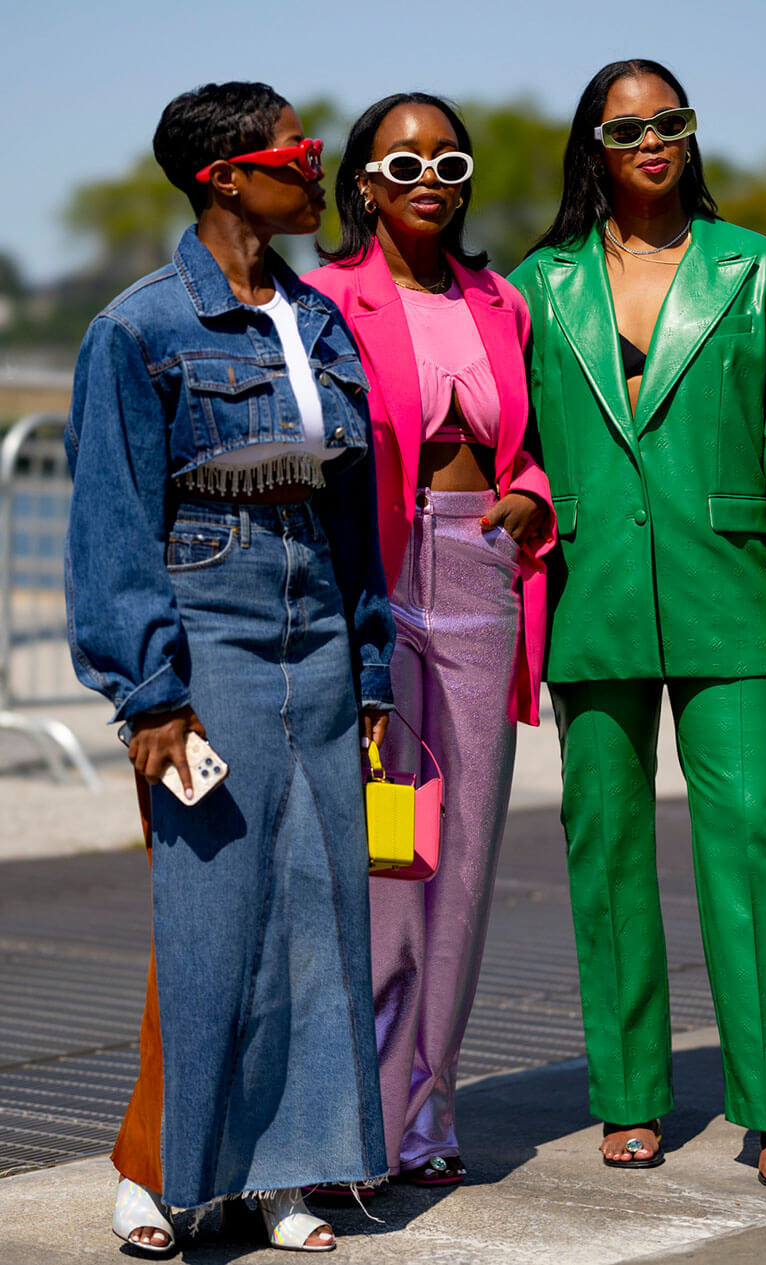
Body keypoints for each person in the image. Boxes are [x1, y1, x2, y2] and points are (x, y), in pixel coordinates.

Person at [65, 81, 394, 1253]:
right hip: (210, 635)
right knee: (209, 910)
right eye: (298, 153)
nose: (320, 170)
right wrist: (147, 692)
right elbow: (111, 523)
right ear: (227, 179)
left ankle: (287, 1170)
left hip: (317, 632)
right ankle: (157, 1177)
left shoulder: (318, 324)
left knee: (319, 908)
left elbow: (355, 516)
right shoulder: (140, 329)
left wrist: (368, 664)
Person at [509, 59, 766, 1187]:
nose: (654, 140)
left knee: (750, 836)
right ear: (593, 144)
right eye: (628, 126)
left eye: (672, 122)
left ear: (693, 134)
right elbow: (524, 450)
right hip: (587, 593)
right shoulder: (535, 289)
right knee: (603, 852)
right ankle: (631, 1092)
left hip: (733, 594)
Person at [303, 92, 555, 1186]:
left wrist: (531, 503)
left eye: (446, 161)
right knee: (387, 857)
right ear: (361, 182)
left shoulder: (502, 301)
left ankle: (427, 1117)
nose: (427, 180)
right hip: (377, 584)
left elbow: (533, 448)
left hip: (482, 580)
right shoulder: (321, 299)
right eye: (400, 163)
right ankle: (358, 1108)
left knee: (462, 866)